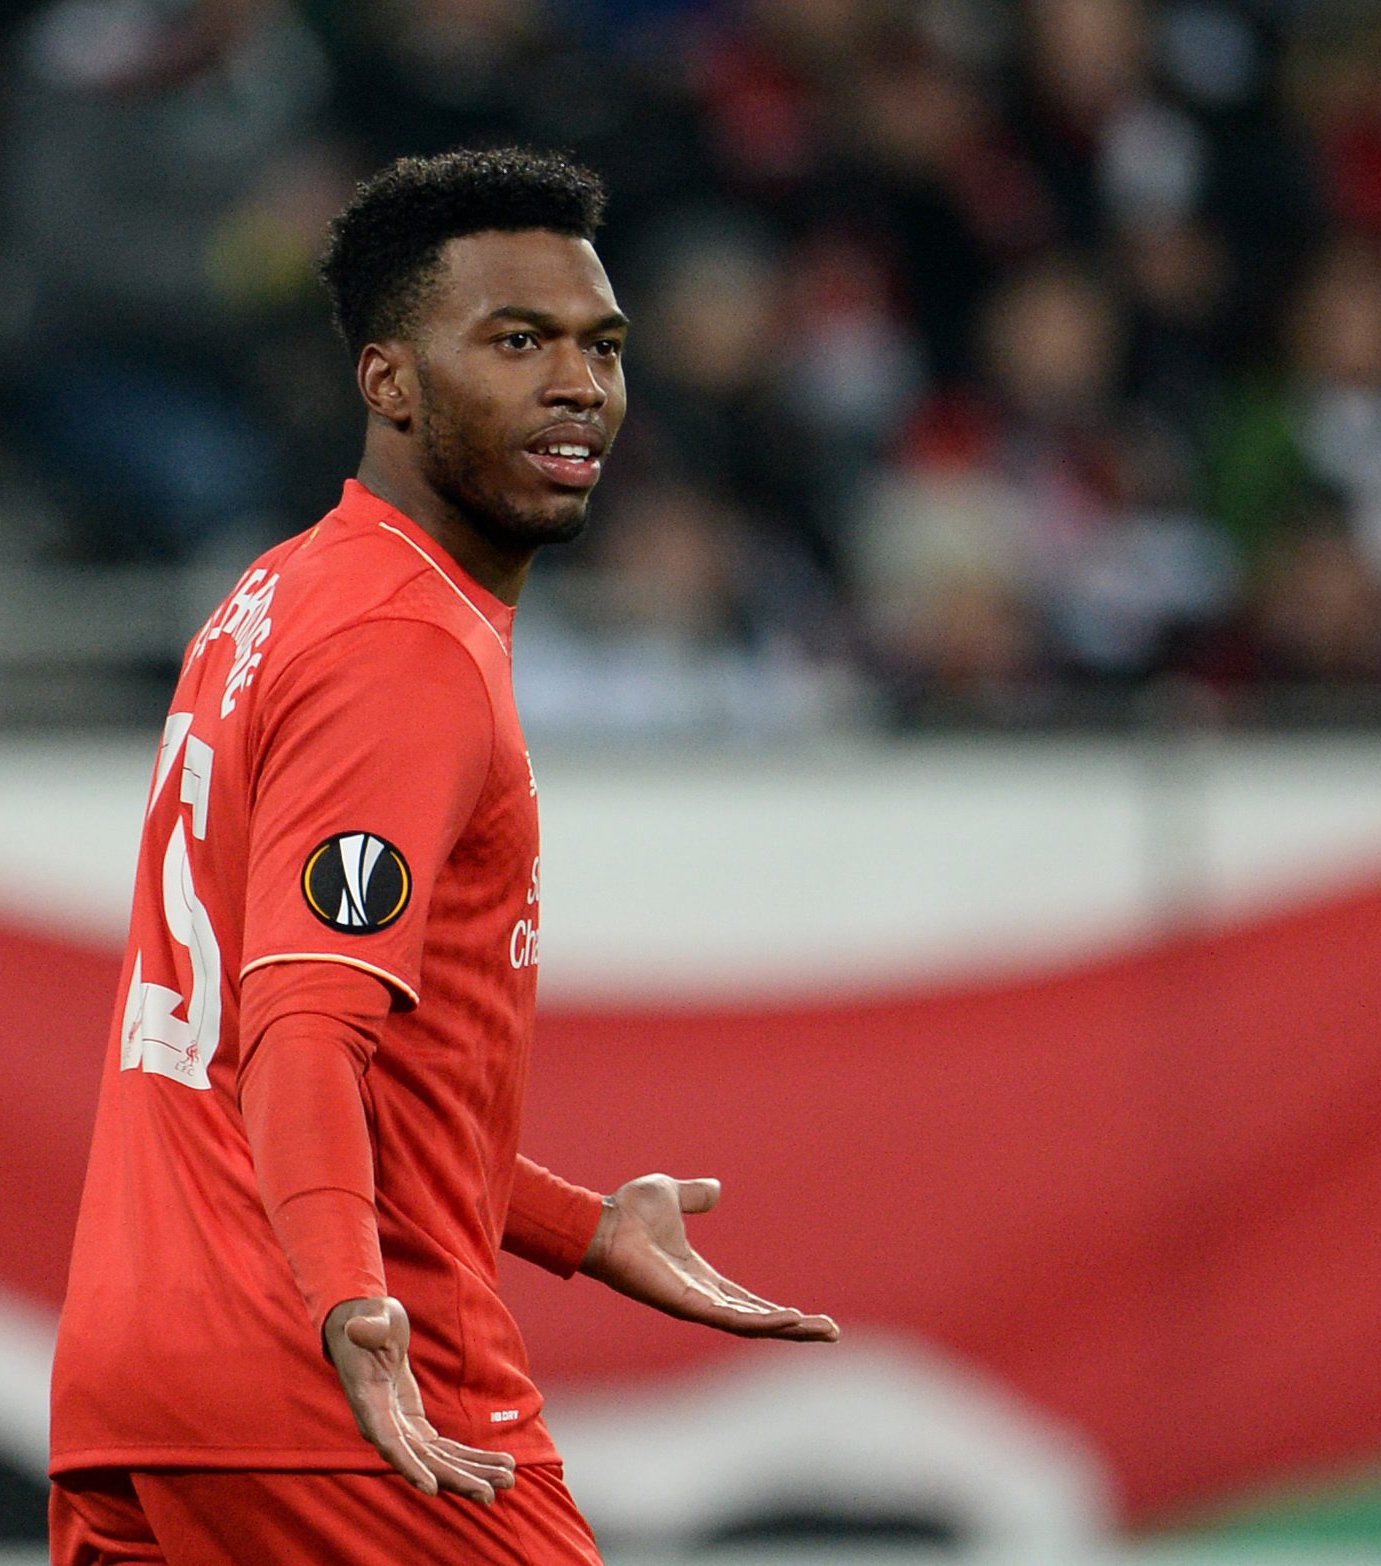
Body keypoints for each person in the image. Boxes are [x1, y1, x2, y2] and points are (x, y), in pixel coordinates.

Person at [46, 146, 838, 1566]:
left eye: (602, 346)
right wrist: (349, 1300)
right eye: (517, 342)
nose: (577, 385)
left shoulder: (279, 593)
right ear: (389, 382)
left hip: (143, 1373)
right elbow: (305, 1028)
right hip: (333, 1383)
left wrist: (580, 1228)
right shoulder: (400, 646)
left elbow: (291, 1052)